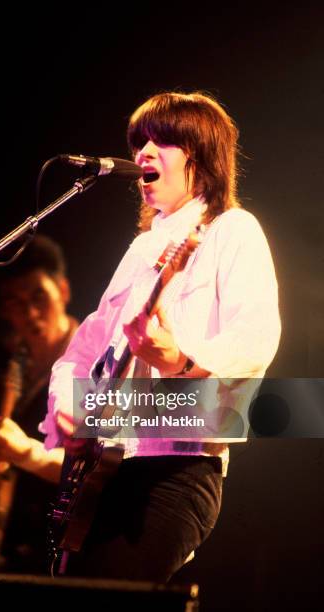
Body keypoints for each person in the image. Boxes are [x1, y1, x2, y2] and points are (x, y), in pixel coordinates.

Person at [36, 91, 281, 583]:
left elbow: (256, 337)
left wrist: (180, 361)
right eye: (138, 143)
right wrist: (68, 406)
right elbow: (83, 351)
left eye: (160, 142)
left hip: (177, 470)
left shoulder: (232, 230)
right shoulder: (142, 249)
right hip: (105, 471)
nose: (142, 154)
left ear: (201, 156)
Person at [0, 234, 78, 574]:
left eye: (38, 296)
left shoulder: (96, 360)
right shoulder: (0, 360)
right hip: (15, 536)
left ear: (63, 291)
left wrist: (25, 452)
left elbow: (95, 469)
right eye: (15, 301)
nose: (29, 312)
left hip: (71, 542)